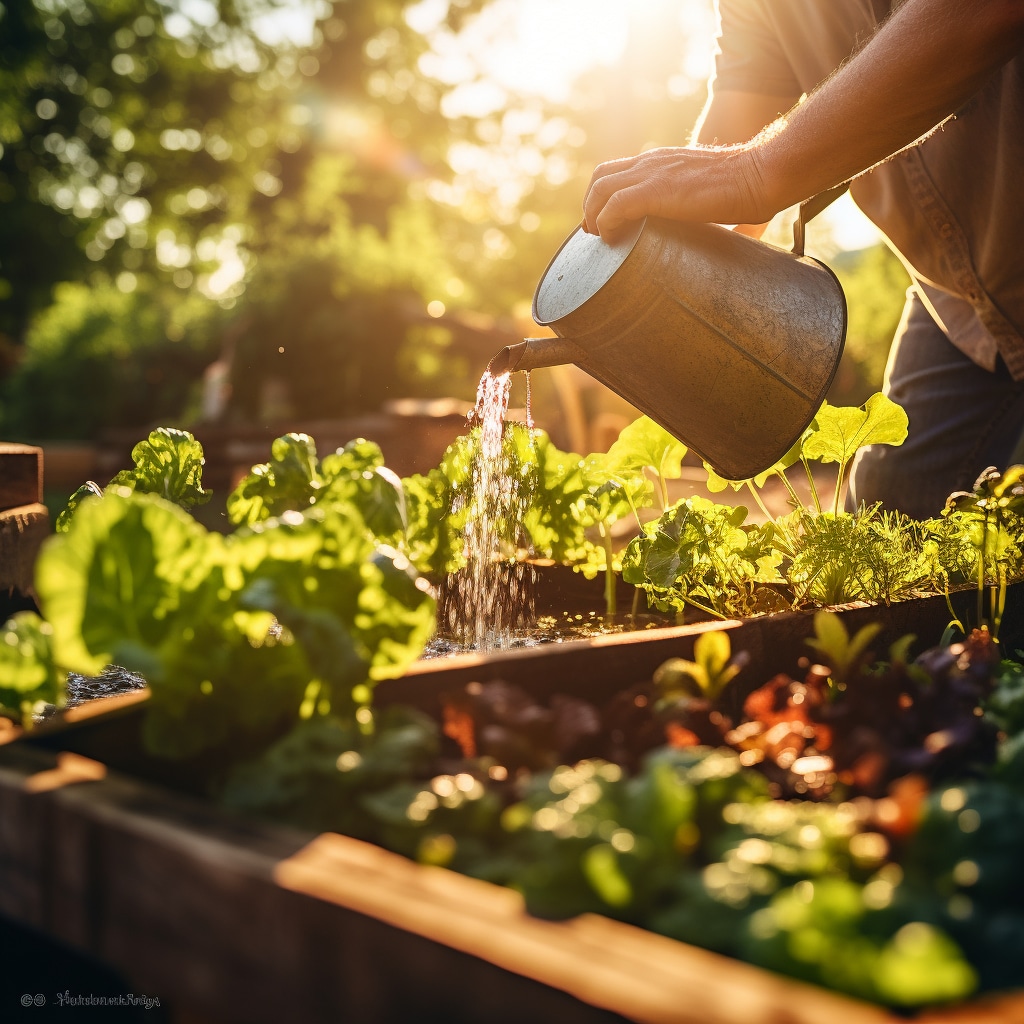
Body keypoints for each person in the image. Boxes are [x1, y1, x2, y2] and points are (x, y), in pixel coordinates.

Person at [582, 0, 1024, 519]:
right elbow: (738, 123)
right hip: (955, 301)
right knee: (887, 519)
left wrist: (754, 173)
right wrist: (648, 270)